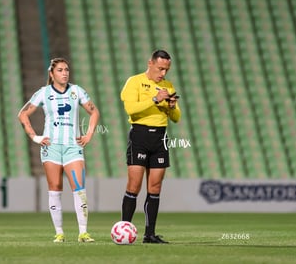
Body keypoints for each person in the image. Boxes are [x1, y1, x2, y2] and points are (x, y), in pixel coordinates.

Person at [18, 57, 100, 243]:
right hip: (51, 147)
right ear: (52, 73)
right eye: (60, 70)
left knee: (79, 189)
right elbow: (22, 114)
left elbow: (94, 111)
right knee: (55, 189)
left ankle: (83, 233)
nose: (64, 73)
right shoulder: (44, 93)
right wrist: (35, 137)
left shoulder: (77, 91)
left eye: (66, 70)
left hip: (73, 147)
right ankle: (59, 233)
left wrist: (88, 135)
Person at [120, 50, 181, 244]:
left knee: (155, 187)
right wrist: (154, 99)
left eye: (166, 69)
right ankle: (124, 230)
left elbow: (177, 118)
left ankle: (149, 234)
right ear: (150, 63)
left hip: (160, 138)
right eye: (160, 68)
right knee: (134, 185)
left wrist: (171, 106)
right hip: (140, 134)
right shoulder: (134, 81)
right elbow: (131, 109)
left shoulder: (168, 86)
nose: (163, 73)